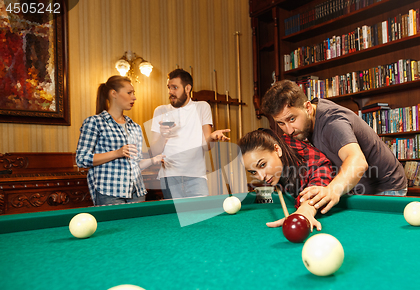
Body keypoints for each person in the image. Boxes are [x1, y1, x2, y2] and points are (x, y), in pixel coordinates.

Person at [261, 80, 407, 214]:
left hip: (387, 190)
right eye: (281, 123)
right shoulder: (307, 121)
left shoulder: (333, 123)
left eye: (291, 119)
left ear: (307, 108)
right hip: (356, 190)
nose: (289, 130)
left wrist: (332, 190)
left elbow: (357, 160)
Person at [76, 75, 164, 206]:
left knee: (137, 227)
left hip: (137, 192)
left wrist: (153, 160)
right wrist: (117, 153)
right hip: (109, 193)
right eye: (129, 93)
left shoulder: (135, 127)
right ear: (114, 94)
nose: (134, 97)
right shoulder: (95, 122)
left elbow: (136, 164)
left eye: (134, 93)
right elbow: (81, 159)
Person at [150, 69, 229, 199]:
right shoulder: (160, 110)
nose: (170, 92)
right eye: (169, 88)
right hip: (169, 177)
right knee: (176, 219)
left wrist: (213, 137)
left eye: (175, 87)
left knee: (201, 216)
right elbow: (154, 151)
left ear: (187, 88)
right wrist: (163, 136)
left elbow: (206, 146)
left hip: (196, 176)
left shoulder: (202, 107)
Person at [239, 128, 335, 230]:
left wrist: (306, 210)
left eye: (262, 165)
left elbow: (319, 181)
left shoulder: (308, 158)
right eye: (253, 172)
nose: (261, 177)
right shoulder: (276, 168)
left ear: (277, 150)